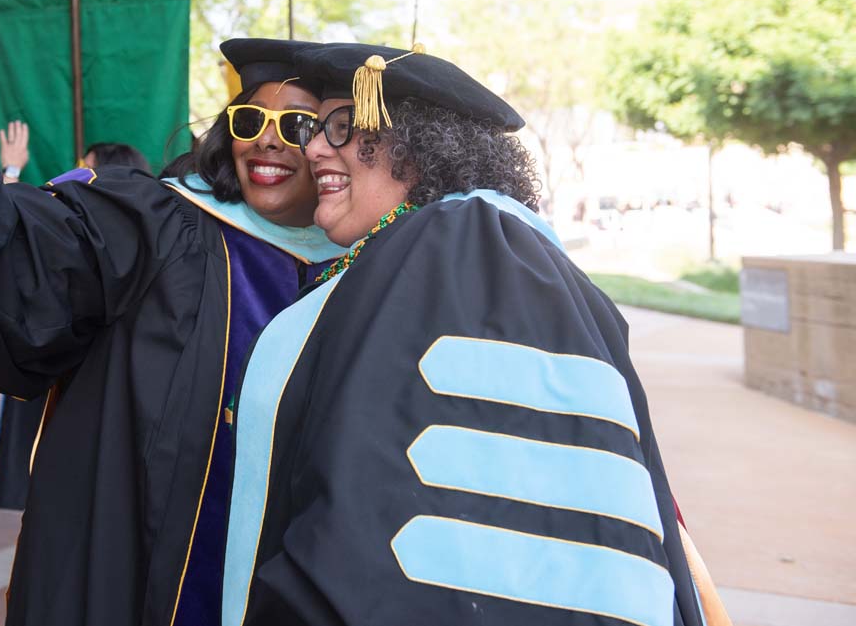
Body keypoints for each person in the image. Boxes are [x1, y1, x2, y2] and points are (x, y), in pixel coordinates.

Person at [0, 2, 343, 626]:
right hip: (137, 575)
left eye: (298, 124)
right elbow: (11, 248)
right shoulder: (162, 225)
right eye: (250, 119)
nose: (267, 138)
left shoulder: (362, 264)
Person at [221, 43, 719, 626]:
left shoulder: (467, 250)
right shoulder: (450, 254)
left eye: (343, 126)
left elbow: (425, 535)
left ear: (419, 145)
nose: (313, 149)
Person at [0, 136, 154, 512]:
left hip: (77, 397)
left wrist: (12, 172)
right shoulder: (145, 238)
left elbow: (6, 236)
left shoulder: (102, 240)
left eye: (86, 166)